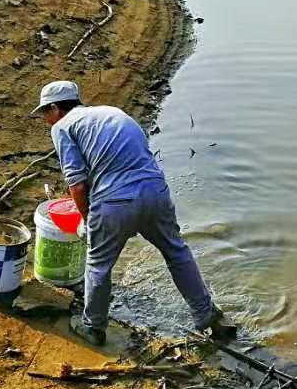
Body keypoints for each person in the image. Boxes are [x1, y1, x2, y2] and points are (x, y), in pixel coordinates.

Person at [33, 80, 234, 346]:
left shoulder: (62, 126)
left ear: (56, 108)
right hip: (155, 192)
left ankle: (93, 327)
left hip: (116, 202)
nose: (46, 120)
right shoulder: (112, 113)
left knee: (98, 264)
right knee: (176, 252)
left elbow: (77, 184)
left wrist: (86, 219)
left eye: (45, 114)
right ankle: (207, 316)